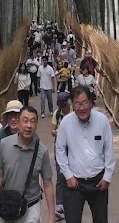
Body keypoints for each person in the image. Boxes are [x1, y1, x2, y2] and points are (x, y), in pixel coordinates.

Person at [55, 85, 115, 223]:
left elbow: (109, 149)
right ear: (72, 105)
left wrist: (107, 176)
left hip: (98, 181)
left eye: (84, 103)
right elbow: (60, 150)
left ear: (90, 103)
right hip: (74, 182)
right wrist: (68, 175)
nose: (81, 108)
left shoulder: (102, 121)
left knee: (101, 220)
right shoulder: (66, 123)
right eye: (77, 103)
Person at [0, 105, 56, 223]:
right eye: (25, 120)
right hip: (7, 204)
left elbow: (48, 184)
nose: (28, 125)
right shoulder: (4, 144)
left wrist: (51, 217)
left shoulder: (42, 151)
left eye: (32, 121)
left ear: (36, 125)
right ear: (18, 122)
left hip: (31, 207)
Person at [51, 91, 72, 220]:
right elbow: (52, 131)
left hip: (73, 147)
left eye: (65, 105)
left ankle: (72, 200)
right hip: (60, 146)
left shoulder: (75, 113)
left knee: (72, 172)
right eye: (61, 105)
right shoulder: (57, 114)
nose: (63, 108)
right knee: (60, 175)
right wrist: (57, 132)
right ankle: (59, 204)